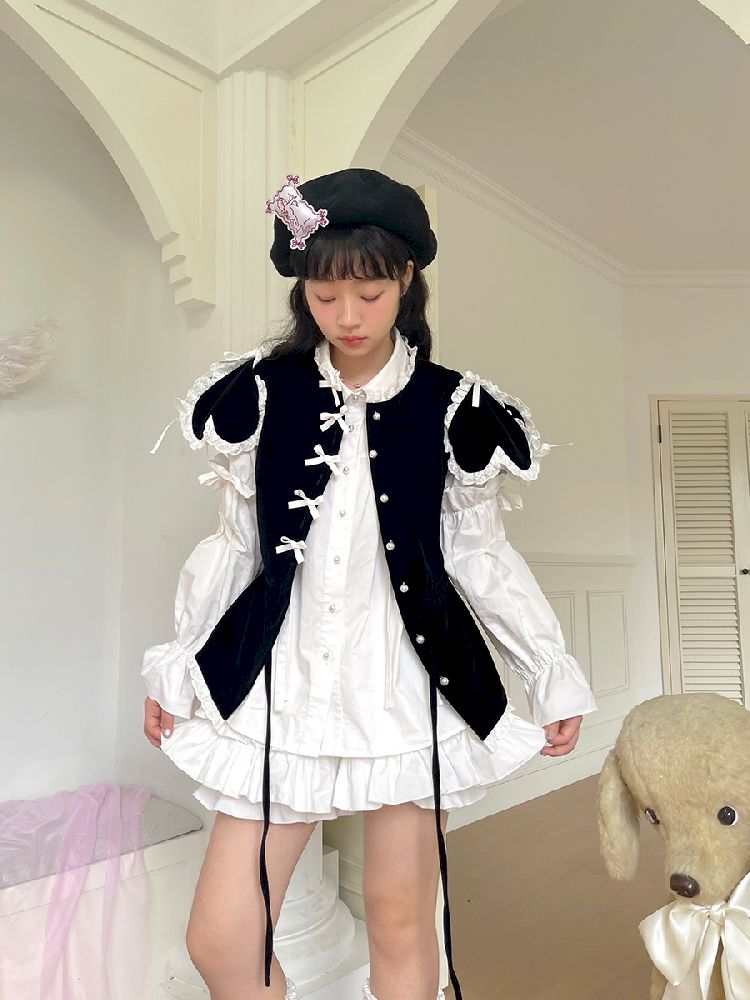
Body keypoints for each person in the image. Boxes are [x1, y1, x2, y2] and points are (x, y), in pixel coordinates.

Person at [141, 168, 598, 1000]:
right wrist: (178, 666)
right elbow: (236, 547)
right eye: (325, 296)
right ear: (303, 291)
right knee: (221, 939)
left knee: (398, 920)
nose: (347, 317)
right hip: (280, 685)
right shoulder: (260, 394)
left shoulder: (454, 407)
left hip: (407, 684)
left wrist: (547, 669)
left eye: (370, 294)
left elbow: (479, 555)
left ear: (407, 280)